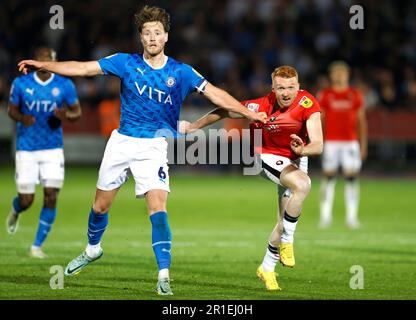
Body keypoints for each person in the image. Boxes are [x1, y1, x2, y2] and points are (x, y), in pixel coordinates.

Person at [17, 6, 266, 295]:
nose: (152, 37)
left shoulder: (180, 71)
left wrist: (246, 112)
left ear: (166, 37)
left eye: (157, 33)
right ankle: (92, 249)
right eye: (147, 33)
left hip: (154, 146)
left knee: (157, 207)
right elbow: (84, 68)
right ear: (141, 37)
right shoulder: (125, 63)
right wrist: (45, 65)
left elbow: (215, 94)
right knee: (100, 206)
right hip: (122, 142)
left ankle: (163, 274)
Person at [180, 65, 323, 290]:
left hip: (296, 159)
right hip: (265, 156)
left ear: (298, 86)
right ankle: (288, 241)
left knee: (284, 219)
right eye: (281, 88)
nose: (286, 93)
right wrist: (195, 126)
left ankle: (267, 267)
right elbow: (225, 110)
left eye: (291, 88)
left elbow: (318, 144)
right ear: (272, 88)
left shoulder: (308, 103)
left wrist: (303, 150)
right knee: (303, 184)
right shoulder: (259, 105)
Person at [6, 47, 82, 258]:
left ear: (55, 61)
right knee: (27, 200)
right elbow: (11, 110)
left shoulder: (64, 84)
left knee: (51, 196)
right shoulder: (21, 83)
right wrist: (22, 118)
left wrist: (66, 114)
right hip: (27, 148)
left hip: (52, 149)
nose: (45, 61)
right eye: (42, 58)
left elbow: (77, 112)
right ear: (35, 61)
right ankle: (16, 210)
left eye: (50, 58)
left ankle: (37, 246)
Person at [318, 61, 367, 229]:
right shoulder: (325, 95)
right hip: (331, 143)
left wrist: (363, 145)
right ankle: (325, 217)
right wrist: (318, 141)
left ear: (347, 75)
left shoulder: (355, 95)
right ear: (331, 75)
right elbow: (320, 120)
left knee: (351, 179)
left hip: (350, 143)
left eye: (342, 72)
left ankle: (352, 218)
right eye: (336, 72)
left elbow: (361, 122)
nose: (339, 75)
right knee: (328, 178)